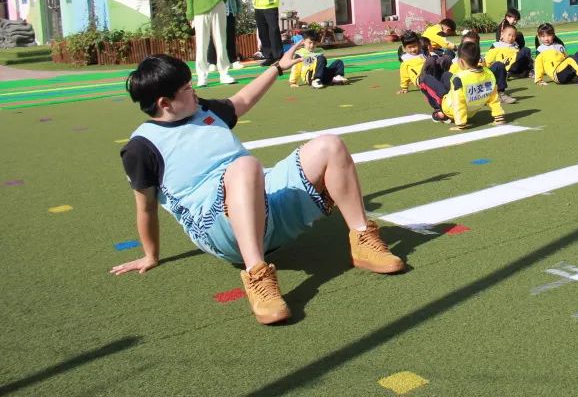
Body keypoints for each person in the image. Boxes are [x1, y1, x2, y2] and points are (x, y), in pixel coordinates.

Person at [112, 46, 404, 325]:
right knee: (245, 166)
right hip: (217, 229)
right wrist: (151, 255)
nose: (195, 92)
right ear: (165, 103)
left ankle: (363, 240)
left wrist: (278, 68)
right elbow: (146, 208)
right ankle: (257, 274)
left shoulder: (202, 110)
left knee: (330, 145)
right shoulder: (141, 148)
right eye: (187, 89)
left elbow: (241, 100)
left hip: (259, 200)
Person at [186, 0, 243, 88]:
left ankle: (224, 74)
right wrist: (190, 13)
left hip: (218, 8)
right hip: (200, 12)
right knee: (201, 44)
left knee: (221, 41)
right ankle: (202, 76)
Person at [418, 41, 506, 128]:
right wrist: (498, 116)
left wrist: (460, 123)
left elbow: (458, 102)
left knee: (424, 79)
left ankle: (441, 111)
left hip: (451, 110)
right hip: (472, 111)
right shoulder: (489, 73)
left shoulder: (459, 78)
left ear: (462, 61)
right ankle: (446, 111)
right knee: (446, 75)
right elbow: (494, 98)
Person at [534, 23, 578, 87]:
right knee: (570, 58)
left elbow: (565, 59)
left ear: (553, 35)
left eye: (549, 35)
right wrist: (538, 80)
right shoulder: (540, 50)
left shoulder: (559, 46)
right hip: (557, 75)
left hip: (566, 72)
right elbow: (538, 65)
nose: (546, 39)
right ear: (539, 37)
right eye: (543, 36)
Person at [206, 0, 244, 72]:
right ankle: (212, 62)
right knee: (214, 37)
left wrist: (238, 10)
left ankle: (232, 61)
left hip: (230, 12)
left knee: (230, 37)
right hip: (216, 12)